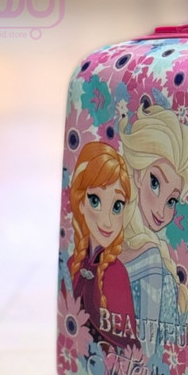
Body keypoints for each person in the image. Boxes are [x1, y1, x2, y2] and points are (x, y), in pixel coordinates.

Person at [118, 105, 188, 358]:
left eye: (172, 200)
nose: (162, 210)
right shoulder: (150, 256)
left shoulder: (117, 244)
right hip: (150, 374)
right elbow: (148, 350)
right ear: (138, 173)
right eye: (155, 182)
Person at [68, 142, 138, 352]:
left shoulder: (116, 273)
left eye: (117, 206)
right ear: (81, 202)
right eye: (95, 200)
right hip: (78, 365)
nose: (107, 222)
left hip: (115, 369)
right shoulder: (72, 264)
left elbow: (129, 346)